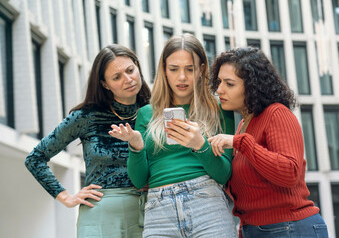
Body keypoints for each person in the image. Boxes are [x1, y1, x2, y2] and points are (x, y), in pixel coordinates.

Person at [109, 34, 238, 237]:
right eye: (174, 69)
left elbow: (224, 174)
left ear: (201, 70)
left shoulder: (220, 110)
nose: (182, 78)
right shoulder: (146, 114)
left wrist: (200, 145)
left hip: (208, 204)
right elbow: (139, 179)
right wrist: (136, 146)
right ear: (164, 70)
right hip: (159, 211)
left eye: (190, 69)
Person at [25, 45, 151, 238]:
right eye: (116, 77)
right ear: (105, 84)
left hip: (150, 212)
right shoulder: (86, 116)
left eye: (130, 70)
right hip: (99, 214)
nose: (128, 79)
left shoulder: (155, 113)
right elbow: (35, 158)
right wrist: (66, 197)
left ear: (138, 67)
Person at [208, 47, 329, 238]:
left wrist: (241, 142)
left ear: (253, 87)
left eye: (229, 84)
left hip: (290, 227)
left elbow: (290, 173)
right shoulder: (242, 125)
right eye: (219, 81)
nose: (220, 90)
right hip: (259, 230)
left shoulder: (277, 114)